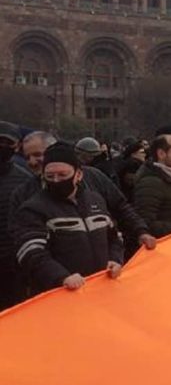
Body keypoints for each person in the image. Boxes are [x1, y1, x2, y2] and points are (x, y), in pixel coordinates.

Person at [11, 144, 124, 295]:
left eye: (62, 175)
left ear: (78, 175)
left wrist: (116, 260)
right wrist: (61, 277)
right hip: (61, 293)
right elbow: (31, 252)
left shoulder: (95, 200)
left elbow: (115, 237)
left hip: (100, 288)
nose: (56, 181)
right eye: (50, 176)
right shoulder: (33, 208)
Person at [0, 123, 34, 308]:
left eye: (7, 142)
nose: (2, 146)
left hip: (13, 264)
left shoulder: (25, 179)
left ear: (17, 146)